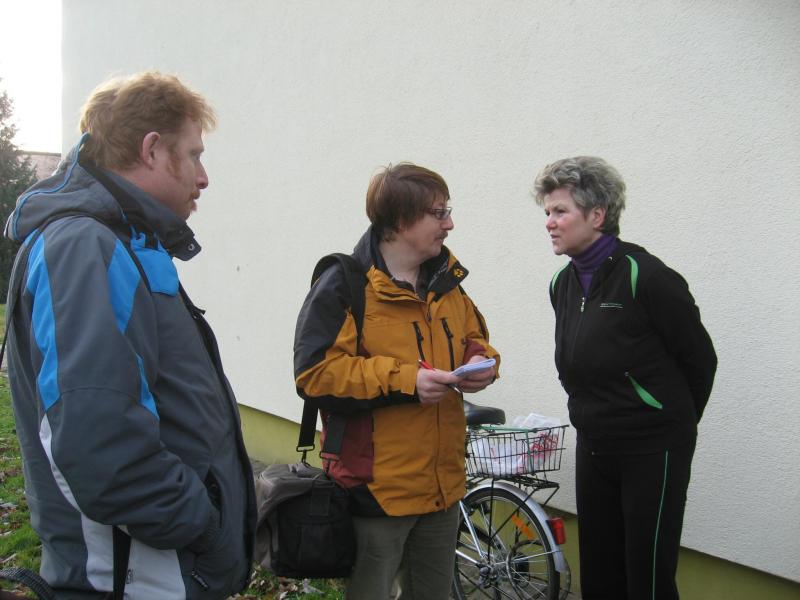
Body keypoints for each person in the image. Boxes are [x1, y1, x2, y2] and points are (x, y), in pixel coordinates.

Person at [3, 72, 256, 599]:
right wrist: (203, 524)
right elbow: (100, 447)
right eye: (194, 155)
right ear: (152, 150)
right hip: (140, 578)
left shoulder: (125, 240)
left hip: (168, 571)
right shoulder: (85, 247)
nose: (204, 177)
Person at [294, 163, 500, 600]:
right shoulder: (344, 284)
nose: (449, 224)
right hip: (378, 491)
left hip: (443, 487)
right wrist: (407, 381)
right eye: (438, 213)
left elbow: (474, 339)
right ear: (401, 221)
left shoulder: (447, 281)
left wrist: (481, 362)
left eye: (447, 211)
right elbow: (316, 374)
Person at [533, 156, 717, 600]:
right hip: (595, 444)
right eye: (547, 212)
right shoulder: (562, 284)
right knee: (600, 572)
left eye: (560, 211)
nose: (549, 223)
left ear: (597, 215)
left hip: (652, 448)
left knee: (647, 576)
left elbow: (700, 360)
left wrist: (665, 422)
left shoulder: (647, 277)